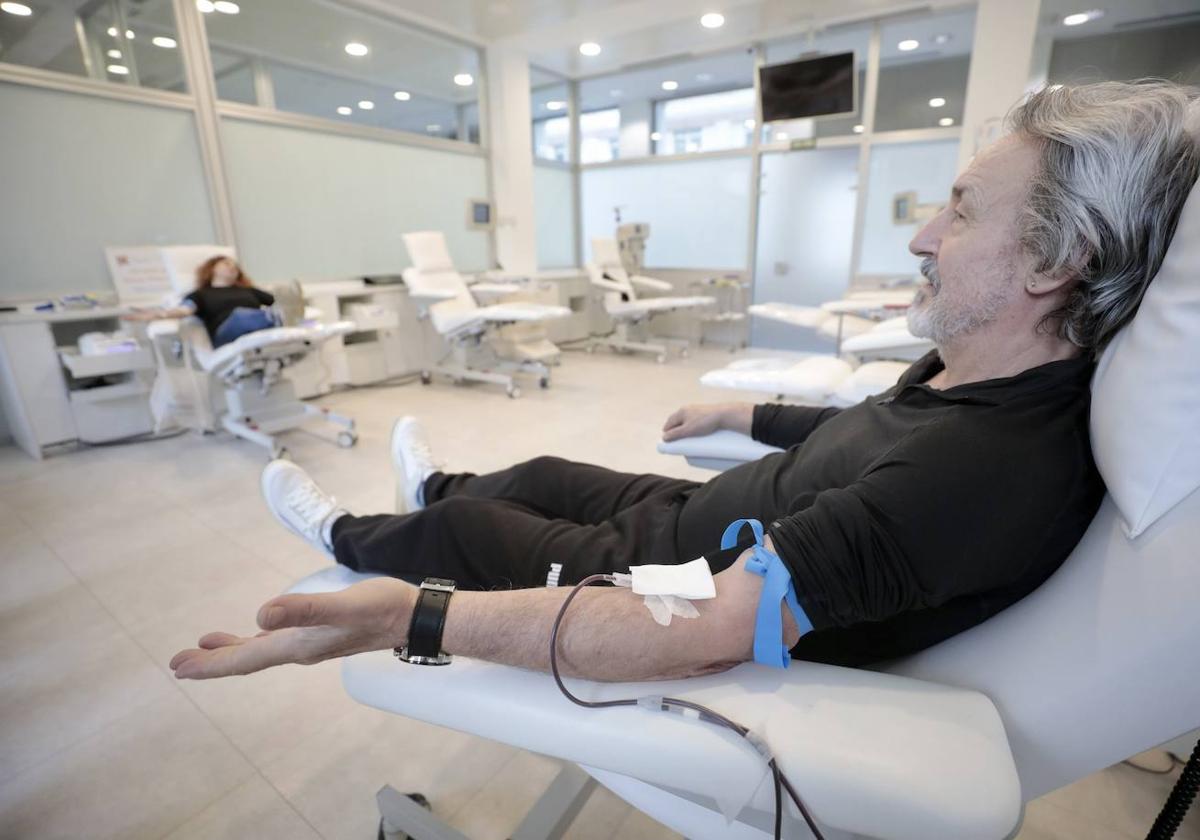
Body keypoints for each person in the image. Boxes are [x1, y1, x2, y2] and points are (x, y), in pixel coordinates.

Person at [170, 80, 1199, 684]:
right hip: (702, 510)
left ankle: (349, 539)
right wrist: (741, 410)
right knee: (538, 463)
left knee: (476, 542)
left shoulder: (990, 470)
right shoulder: (986, 372)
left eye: (963, 211)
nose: (925, 235)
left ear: (1054, 261)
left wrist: (409, 619)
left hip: (676, 573)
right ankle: (434, 486)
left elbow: (712, 626)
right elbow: (872, 424)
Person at [123, 255, 278, 348]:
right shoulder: (201, 294)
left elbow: (277, 302)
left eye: (235, 266)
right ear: (212, 269)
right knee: (241, 315)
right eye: (226, 264)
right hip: (225, 334)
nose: (232, 267)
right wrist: (159, 314)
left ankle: (276, 320)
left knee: (274, 311)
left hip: (258, 326)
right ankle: (275, 320)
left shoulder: (249, 290)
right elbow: (184, 310)